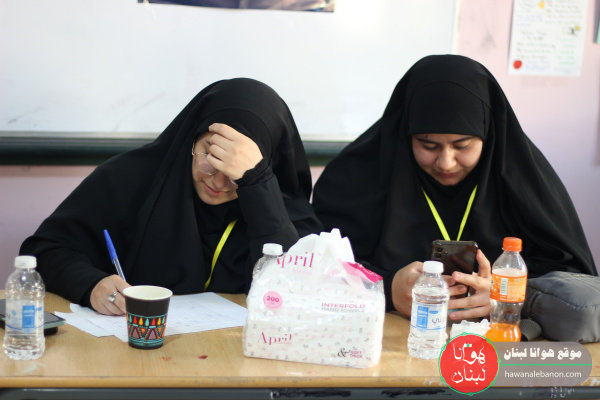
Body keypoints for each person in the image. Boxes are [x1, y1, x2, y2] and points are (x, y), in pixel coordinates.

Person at [312, 55, 597, 322]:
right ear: (405, 133)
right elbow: (315, 266)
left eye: (462, 146)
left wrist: (508, 295)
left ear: (489, 134)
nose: (446, 162)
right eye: (428, 145)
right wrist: (385, 287)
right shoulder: (354, 179)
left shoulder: (524, 184)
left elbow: (575, 285)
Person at [20, 78, 322, 316]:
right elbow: (45, 250)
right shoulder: (129, 179)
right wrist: (91, 285)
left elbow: (298, 289)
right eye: (209, 156)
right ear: (191, 139)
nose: (218, 182)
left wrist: (257, 185)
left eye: (234, 170)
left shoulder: (278, 204)